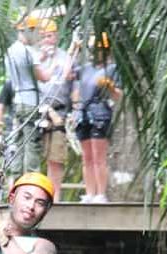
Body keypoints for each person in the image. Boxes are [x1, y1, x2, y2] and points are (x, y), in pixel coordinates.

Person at [73, 33, 122, 203]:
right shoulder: (85, 68)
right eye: (93, 49)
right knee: (86, 158)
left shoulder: (112, 69)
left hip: (100, 113)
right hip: (84, 113)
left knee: (98, 157)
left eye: (98, 49)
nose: (95, 52)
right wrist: (74, 49)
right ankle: (89, 193)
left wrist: (110, 86)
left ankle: (100, 194)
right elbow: (66, 75)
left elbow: (118, 95)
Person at [3, 15, 51, 180]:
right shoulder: (29, 51)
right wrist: (55, 69)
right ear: (28, 31)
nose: (37, 35)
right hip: (30, 101)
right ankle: (32, 179)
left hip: (17, 100)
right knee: (31, 142)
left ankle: (15, 179)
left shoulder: (10, 51)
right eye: (35, 31)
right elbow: (42, 76)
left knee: (18, 142)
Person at [37, 18, 75, 202]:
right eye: (44, 36)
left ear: (56, 36)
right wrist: (42, 58)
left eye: (50, 36)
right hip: (37, 112)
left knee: (56, 157)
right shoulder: (35, 58)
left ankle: (55, 197)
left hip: (59, 112)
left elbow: (70, 79)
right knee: (35, 156)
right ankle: (36, 196)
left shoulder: (65, 57)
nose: (47, 40)